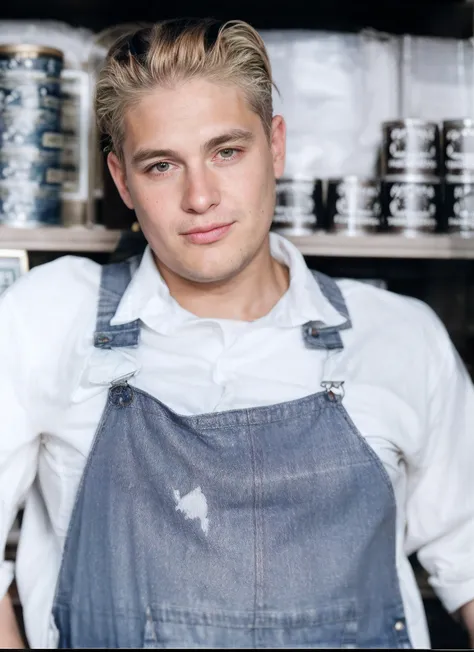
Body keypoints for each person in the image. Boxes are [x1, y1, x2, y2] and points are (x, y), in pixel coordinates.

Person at [0, 17, 473, 650]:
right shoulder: (49, 318)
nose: (200, 197)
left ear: (275, 146)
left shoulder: (400, 338)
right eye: (162, 165)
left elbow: (468, 559)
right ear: (122, 182)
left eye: (227, 151)